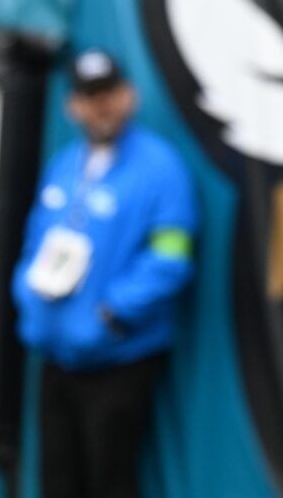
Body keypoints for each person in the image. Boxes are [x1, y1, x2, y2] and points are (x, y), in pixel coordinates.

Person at [13, 50, 196, 498]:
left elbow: (171, 256)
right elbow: (38, 242)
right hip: (56, 355)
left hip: (119, 359)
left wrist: (111, 316)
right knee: (57, 481)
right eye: (88, 95)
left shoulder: (160, 168)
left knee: (110, 482)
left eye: (108, 93)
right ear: (71, 105)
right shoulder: (64, 165)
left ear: (128, 95)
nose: (100, 106)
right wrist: (29, 300)